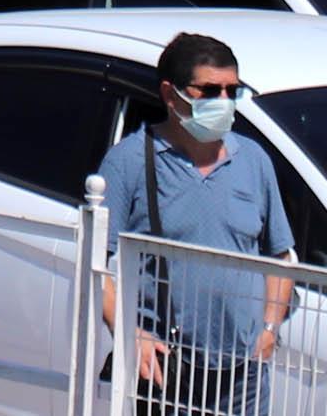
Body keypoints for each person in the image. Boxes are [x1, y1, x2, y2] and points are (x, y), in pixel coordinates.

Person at [99, 34, 296, 416]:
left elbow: (280, 256)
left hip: (243, 374)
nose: (223, 101)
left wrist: (269, 330)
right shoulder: (130, 162)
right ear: (170, 95)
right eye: (209, 90)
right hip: (168, 370)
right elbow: (94, 263)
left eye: (231, 91)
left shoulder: (253, 160)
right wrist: (129, 331)